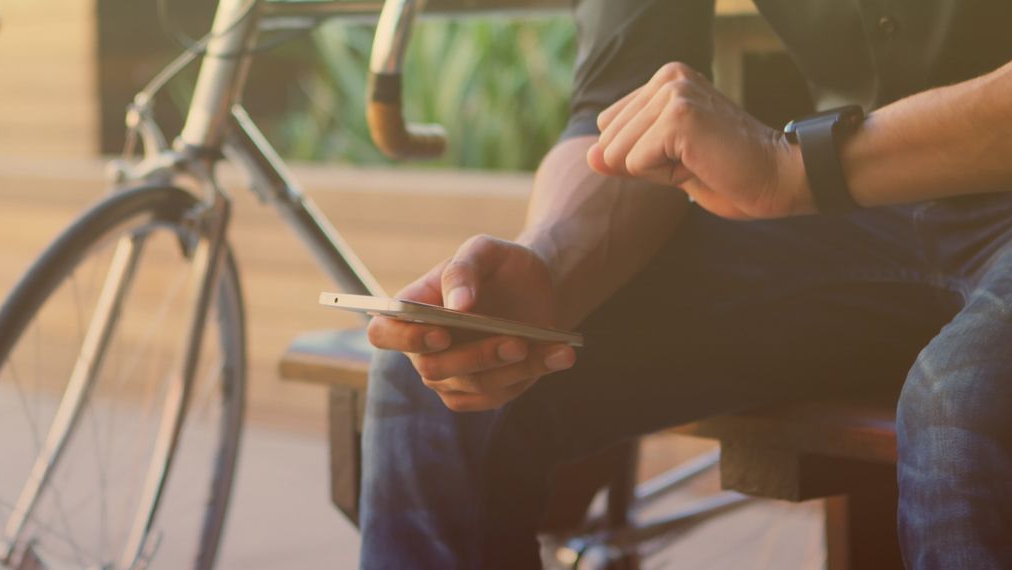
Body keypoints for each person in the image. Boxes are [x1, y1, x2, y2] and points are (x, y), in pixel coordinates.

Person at [359, 0, 1012, 568]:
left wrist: (797, 166)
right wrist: (550, 268)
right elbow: (618, 113)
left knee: (962, 403)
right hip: (848, 214)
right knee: (441, 374)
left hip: (873, 186)